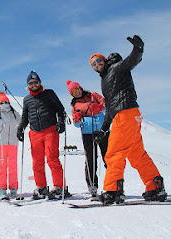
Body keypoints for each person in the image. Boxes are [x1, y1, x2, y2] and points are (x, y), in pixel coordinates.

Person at [89, 35, 167, 204]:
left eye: (98, 61)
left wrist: (138, 49)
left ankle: (113, 190)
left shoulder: (115, 69)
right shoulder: (105, 80)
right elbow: (110, 108)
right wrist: (103, 129)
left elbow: (130, 62)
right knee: (137, 154)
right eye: (93, 64)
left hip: (125, 115)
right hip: (129, 114)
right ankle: (155, 186)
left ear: (104, 60)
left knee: (114, 153)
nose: (97, 64)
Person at [17, 71, 70, 199]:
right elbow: (25, 117)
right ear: (28, 85)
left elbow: (60, 109)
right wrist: (20, 128)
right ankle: (41, 187)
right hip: (34, 133)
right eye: (31, 83)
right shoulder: (27, 99)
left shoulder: (49, 94)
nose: (34, 85)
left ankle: (60, 187)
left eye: (36, 82)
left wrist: (61, 122)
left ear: (40, 82)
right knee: (37, 162)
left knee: (52, 159)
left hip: (50, 130)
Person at [66, 80, 108, 198]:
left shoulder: (93, 95)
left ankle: (113, 183)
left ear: (80, 88)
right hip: (87, 133)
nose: (76, 92)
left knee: (108, 156)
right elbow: (76, 124)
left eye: (77, 89)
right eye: (73, 92)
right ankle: (92, 185)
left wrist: (99, 107)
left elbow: (106, 106)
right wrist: (78, 120)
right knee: (90, 159)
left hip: (101, 130)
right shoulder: (75, 106)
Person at [0, 92, 21, 199]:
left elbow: (21, 122)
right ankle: (2, 187)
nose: (5, 104)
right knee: (3, 165)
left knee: (12, 165)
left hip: (13, 142)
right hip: (2, 143)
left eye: (6, 102)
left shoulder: (14, 113)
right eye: (3, 102)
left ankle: (13, 187)